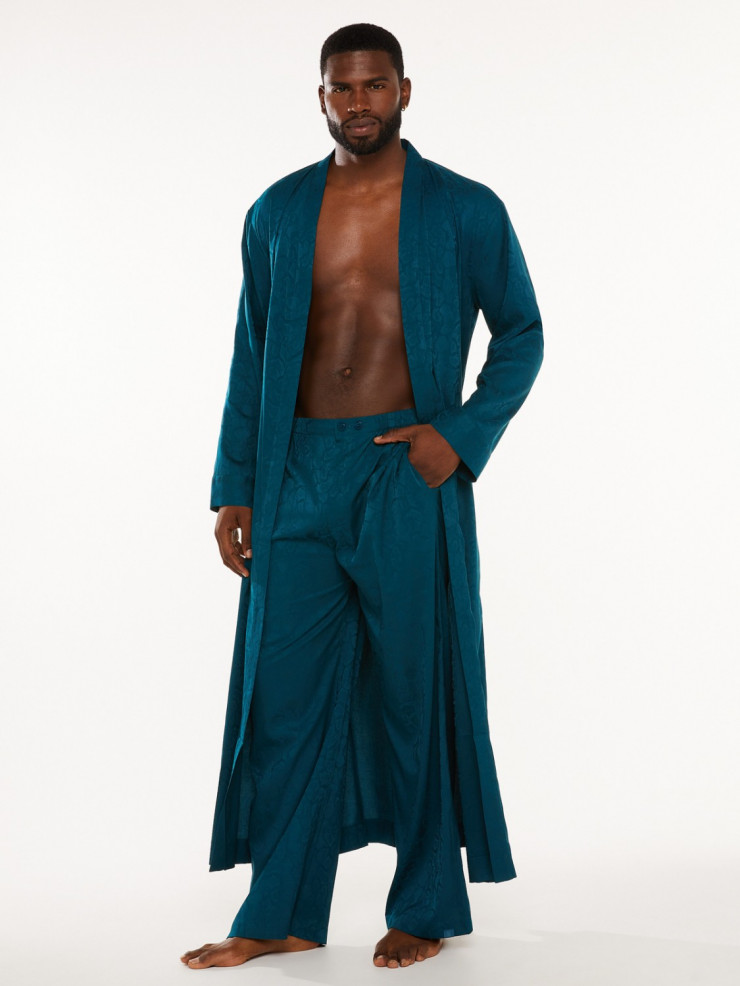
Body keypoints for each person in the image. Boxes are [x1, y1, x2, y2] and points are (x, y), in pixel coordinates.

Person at [181, 22, 544, 972]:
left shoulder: (463, 208)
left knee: (415, 692)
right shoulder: (276, 211)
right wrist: (235, 485)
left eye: (374, 85)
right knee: (284, 701)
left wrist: (457, 438)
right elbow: (253, 352)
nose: (358, 103)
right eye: (341, 88)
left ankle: (424, 906)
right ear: (321, 98)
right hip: (294, 472)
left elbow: (523, 333)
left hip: (403, 467)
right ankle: (283, 913)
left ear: (404, 91)